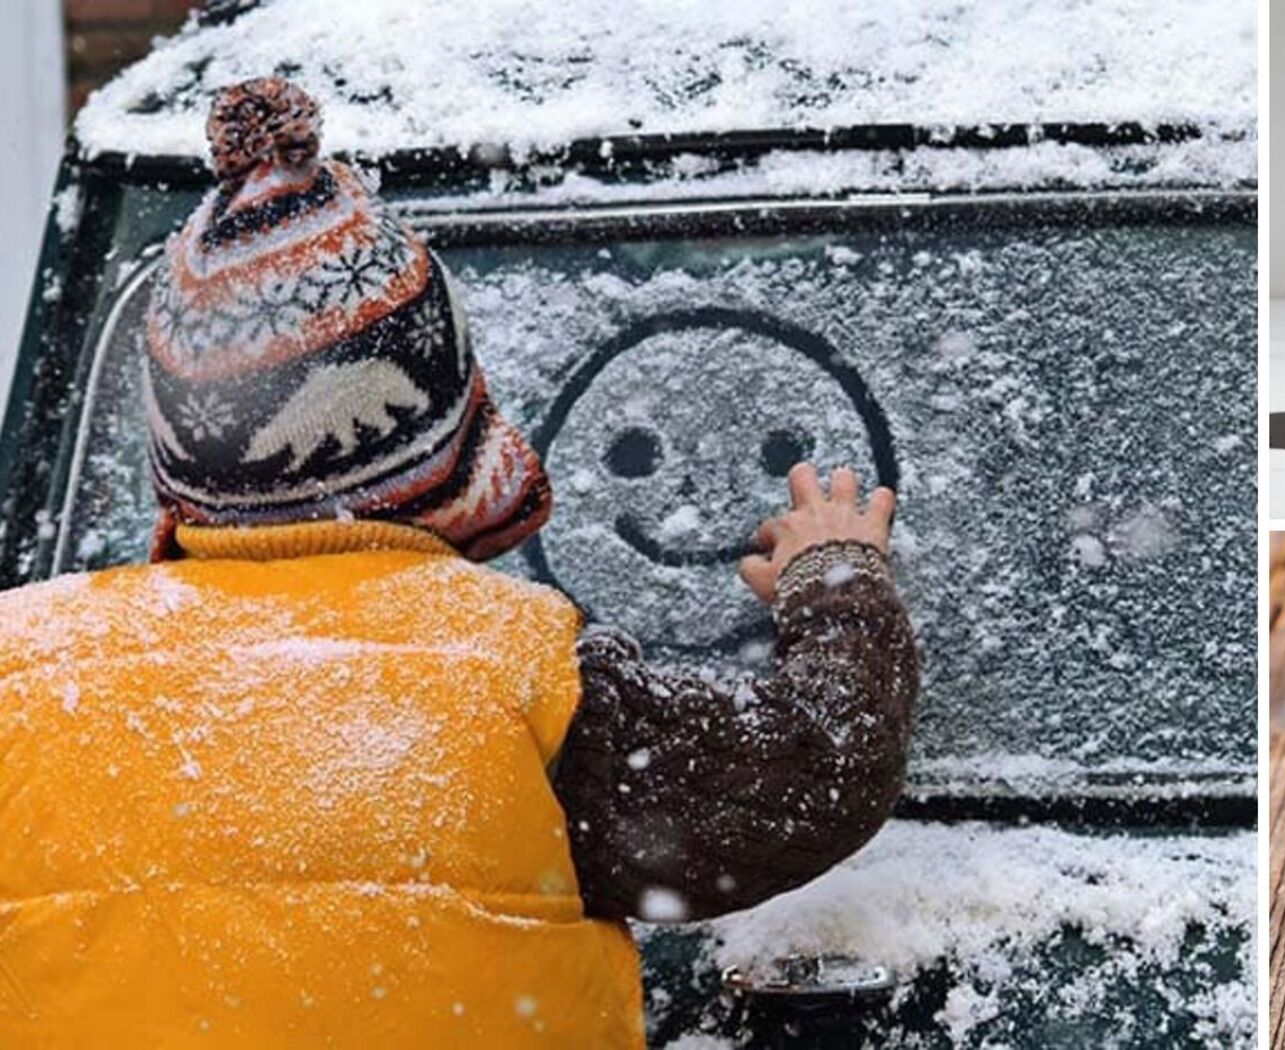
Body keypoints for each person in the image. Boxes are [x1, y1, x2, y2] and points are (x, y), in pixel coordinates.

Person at [0, 78, 917, 1047]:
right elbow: (823, 762)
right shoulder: (526, 683)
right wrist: (837, 576)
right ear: (437, 431)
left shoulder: (19, 679)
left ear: (179, 458)